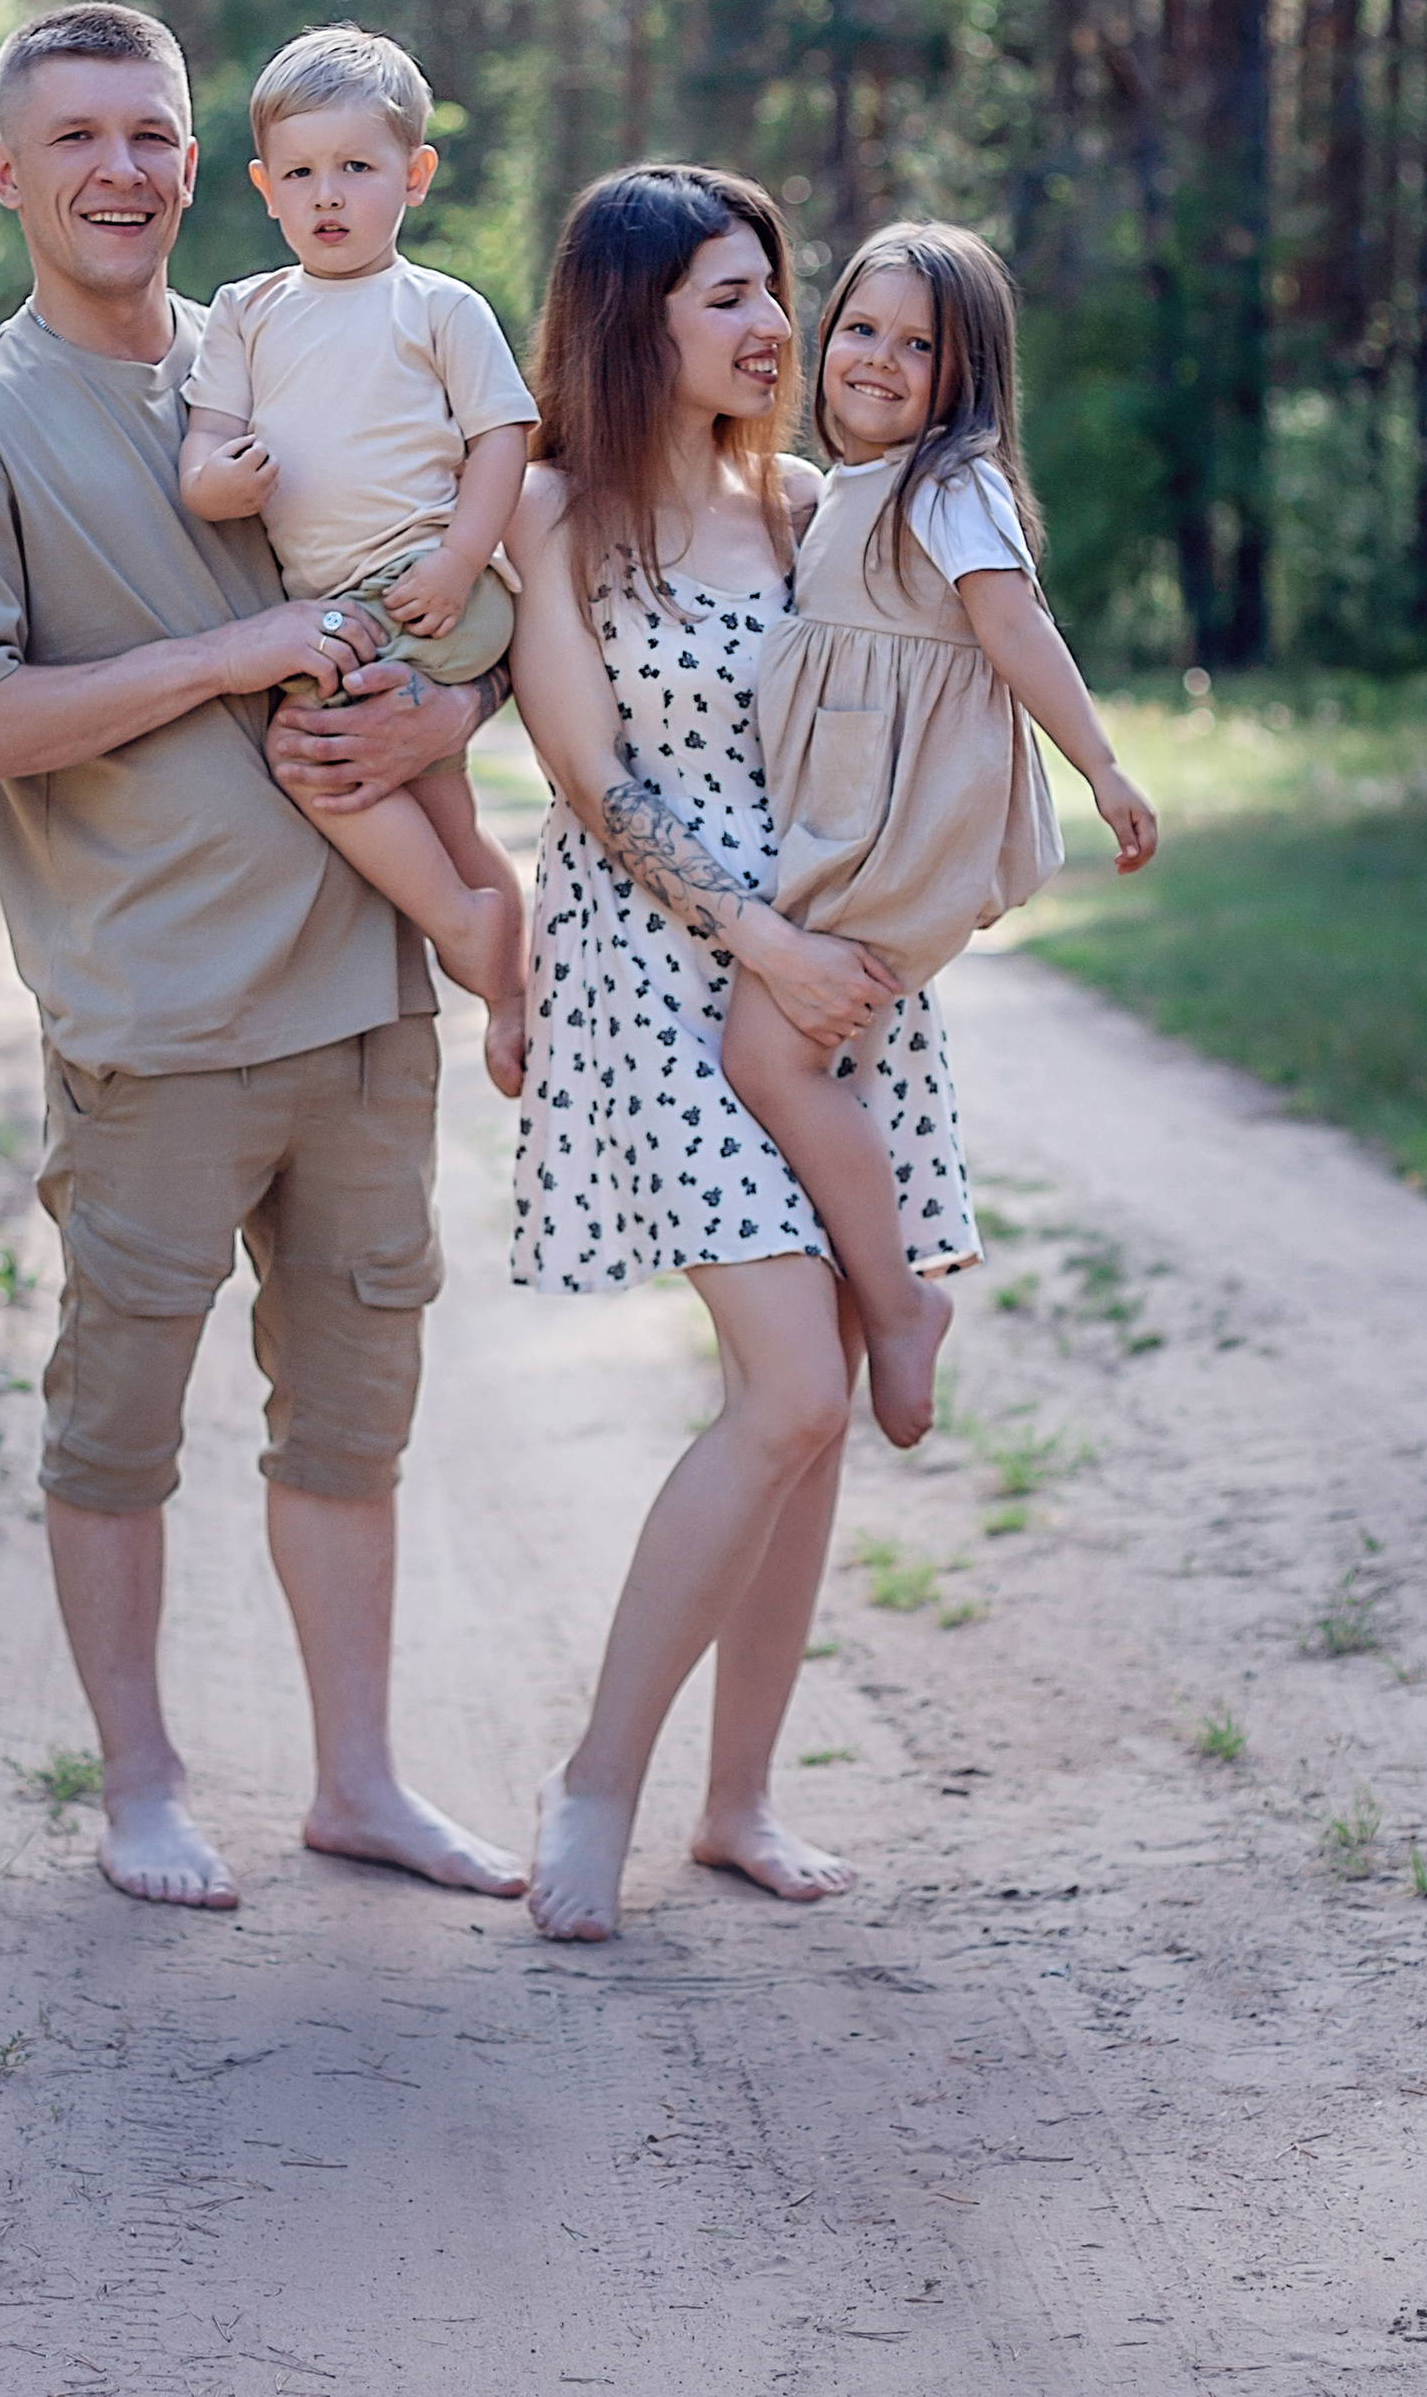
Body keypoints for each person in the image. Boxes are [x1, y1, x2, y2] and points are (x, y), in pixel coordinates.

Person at [0, 0, 523, 1914]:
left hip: (365, 1004)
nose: (120, 171)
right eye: (76, 138)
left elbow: (442, 599)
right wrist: (219, 661)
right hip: (157, 1022)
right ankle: (143, 1786)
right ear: (10, 173)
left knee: (350, 1416)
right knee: (120, 1422)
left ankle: (358, 1786)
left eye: (149, 133)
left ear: (195, 158)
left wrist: (454, 722)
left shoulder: (295, 331)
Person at [507, 165, 980, 1944]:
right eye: (729, 294)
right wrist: (755, 934)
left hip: (836, 973)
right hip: (662, 962)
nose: (774, 323)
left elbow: (927, 705)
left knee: (827, 1398)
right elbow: (589, 778)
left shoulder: (811, 510)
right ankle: (597, 1790)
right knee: (787, 1381)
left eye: (773, 287)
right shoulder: (557, 510)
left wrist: (901, 913)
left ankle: (739, 1802)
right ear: (636, 318)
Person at [722, 221, 1158, 1451]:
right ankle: (873, 1287)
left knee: (771, 1056)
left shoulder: (949, 487)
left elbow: (1015, 630)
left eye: (917, 346)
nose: (877, 359)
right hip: (854, 813)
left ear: (966, 381)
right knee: (807, 1057)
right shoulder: (848, 486)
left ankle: (901, 1304)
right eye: (859, 329)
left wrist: (1102, 764)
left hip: (899, 820)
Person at [181, 24, 535, 1093]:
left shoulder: (435, 308)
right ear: (263, 188)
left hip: (432, 587)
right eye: (300, 173)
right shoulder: (248, 312)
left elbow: (502, 438)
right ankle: (509, 977)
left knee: (313, 752)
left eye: (356, 169)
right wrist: (213, 483)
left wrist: (458, 556)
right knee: (437, 802)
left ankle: (456, 927)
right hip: (339, 603)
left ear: (413, 175)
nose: (327, 195)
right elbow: (206, 439)